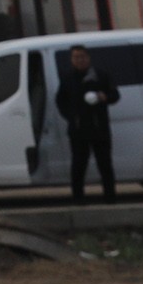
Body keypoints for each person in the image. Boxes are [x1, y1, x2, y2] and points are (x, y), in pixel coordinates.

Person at [54, 43, 119, 202]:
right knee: (78, 166)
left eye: (82, 57)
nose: (79, 60)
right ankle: (78, 199)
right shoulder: (67, 77)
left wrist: (105, 97)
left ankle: (110, 199)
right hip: (78, 130)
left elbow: (115, 95)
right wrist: (71, 117)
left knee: (105, 165)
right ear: (71, 59)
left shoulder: (100, 75)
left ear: (88, 58)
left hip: (99, 129)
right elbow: (60, 100)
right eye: (76, 57)